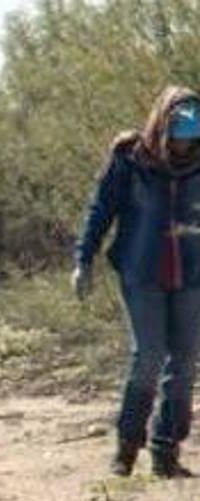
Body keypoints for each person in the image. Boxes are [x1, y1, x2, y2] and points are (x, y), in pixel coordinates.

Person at [75, 86, 200, 478]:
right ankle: (127, 449)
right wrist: (83, 259)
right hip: (142, 272)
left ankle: (166, 452)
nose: (186, 143)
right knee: (147, 356)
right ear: (162, 123)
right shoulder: (130, 159)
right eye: (180, 131)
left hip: (192, 274)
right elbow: (100, 210)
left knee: (182, 363)